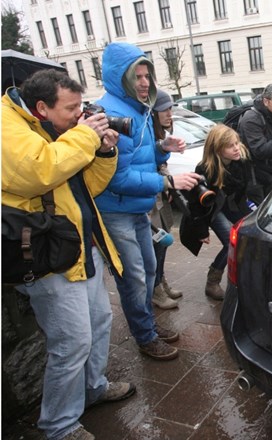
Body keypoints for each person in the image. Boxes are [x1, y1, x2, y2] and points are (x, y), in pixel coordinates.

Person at [1, 69, 135, 440]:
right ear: (41, 107)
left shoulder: (57, 130)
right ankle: (58, 426)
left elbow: (85, 184)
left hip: (78, 246)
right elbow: (39, 171)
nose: (80, 116)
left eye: (81, 107)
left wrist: (104, 150)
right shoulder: (6, 125)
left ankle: (93, 389)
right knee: (71, 342)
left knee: (99, 323)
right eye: (72, 109)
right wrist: (86, 135)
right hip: (46, 255)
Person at [94, 42, 202, 361]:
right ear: (120, 77)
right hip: (116, 210)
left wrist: (164, 147)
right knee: (134, 277)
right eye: (137, 76)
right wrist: (167, 180)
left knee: (150, 269)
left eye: (147, 75)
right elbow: (117, 177)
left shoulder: (136, 109)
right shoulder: (111, 114)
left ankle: (148, 326)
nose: (144, 82)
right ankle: (144, 336)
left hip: (136, 207)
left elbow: (143, 156)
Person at [182, 125, 253, 300]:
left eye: (237, 143)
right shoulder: (206, 168)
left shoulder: (242, 159)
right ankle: (212, 281)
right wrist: (201, 231)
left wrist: (255, 207)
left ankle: (246, 276)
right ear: (218, 149)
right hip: (213, 208)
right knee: (231, 242)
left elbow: (248, 187)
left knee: (247, 237)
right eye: (231, 145)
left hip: (233, 203)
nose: (237, 148)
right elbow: (196, 203)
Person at [150, 89, 182, 309]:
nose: (170, 114)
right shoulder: (146, 135)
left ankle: (160, 280)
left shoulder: (161, 134)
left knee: (164, 241)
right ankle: (155, 289)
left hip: (161, 195)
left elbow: (160, 165)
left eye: (171, 108)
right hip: (149, 199)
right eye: (164, 109)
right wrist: (166, 179)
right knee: (156, 245)